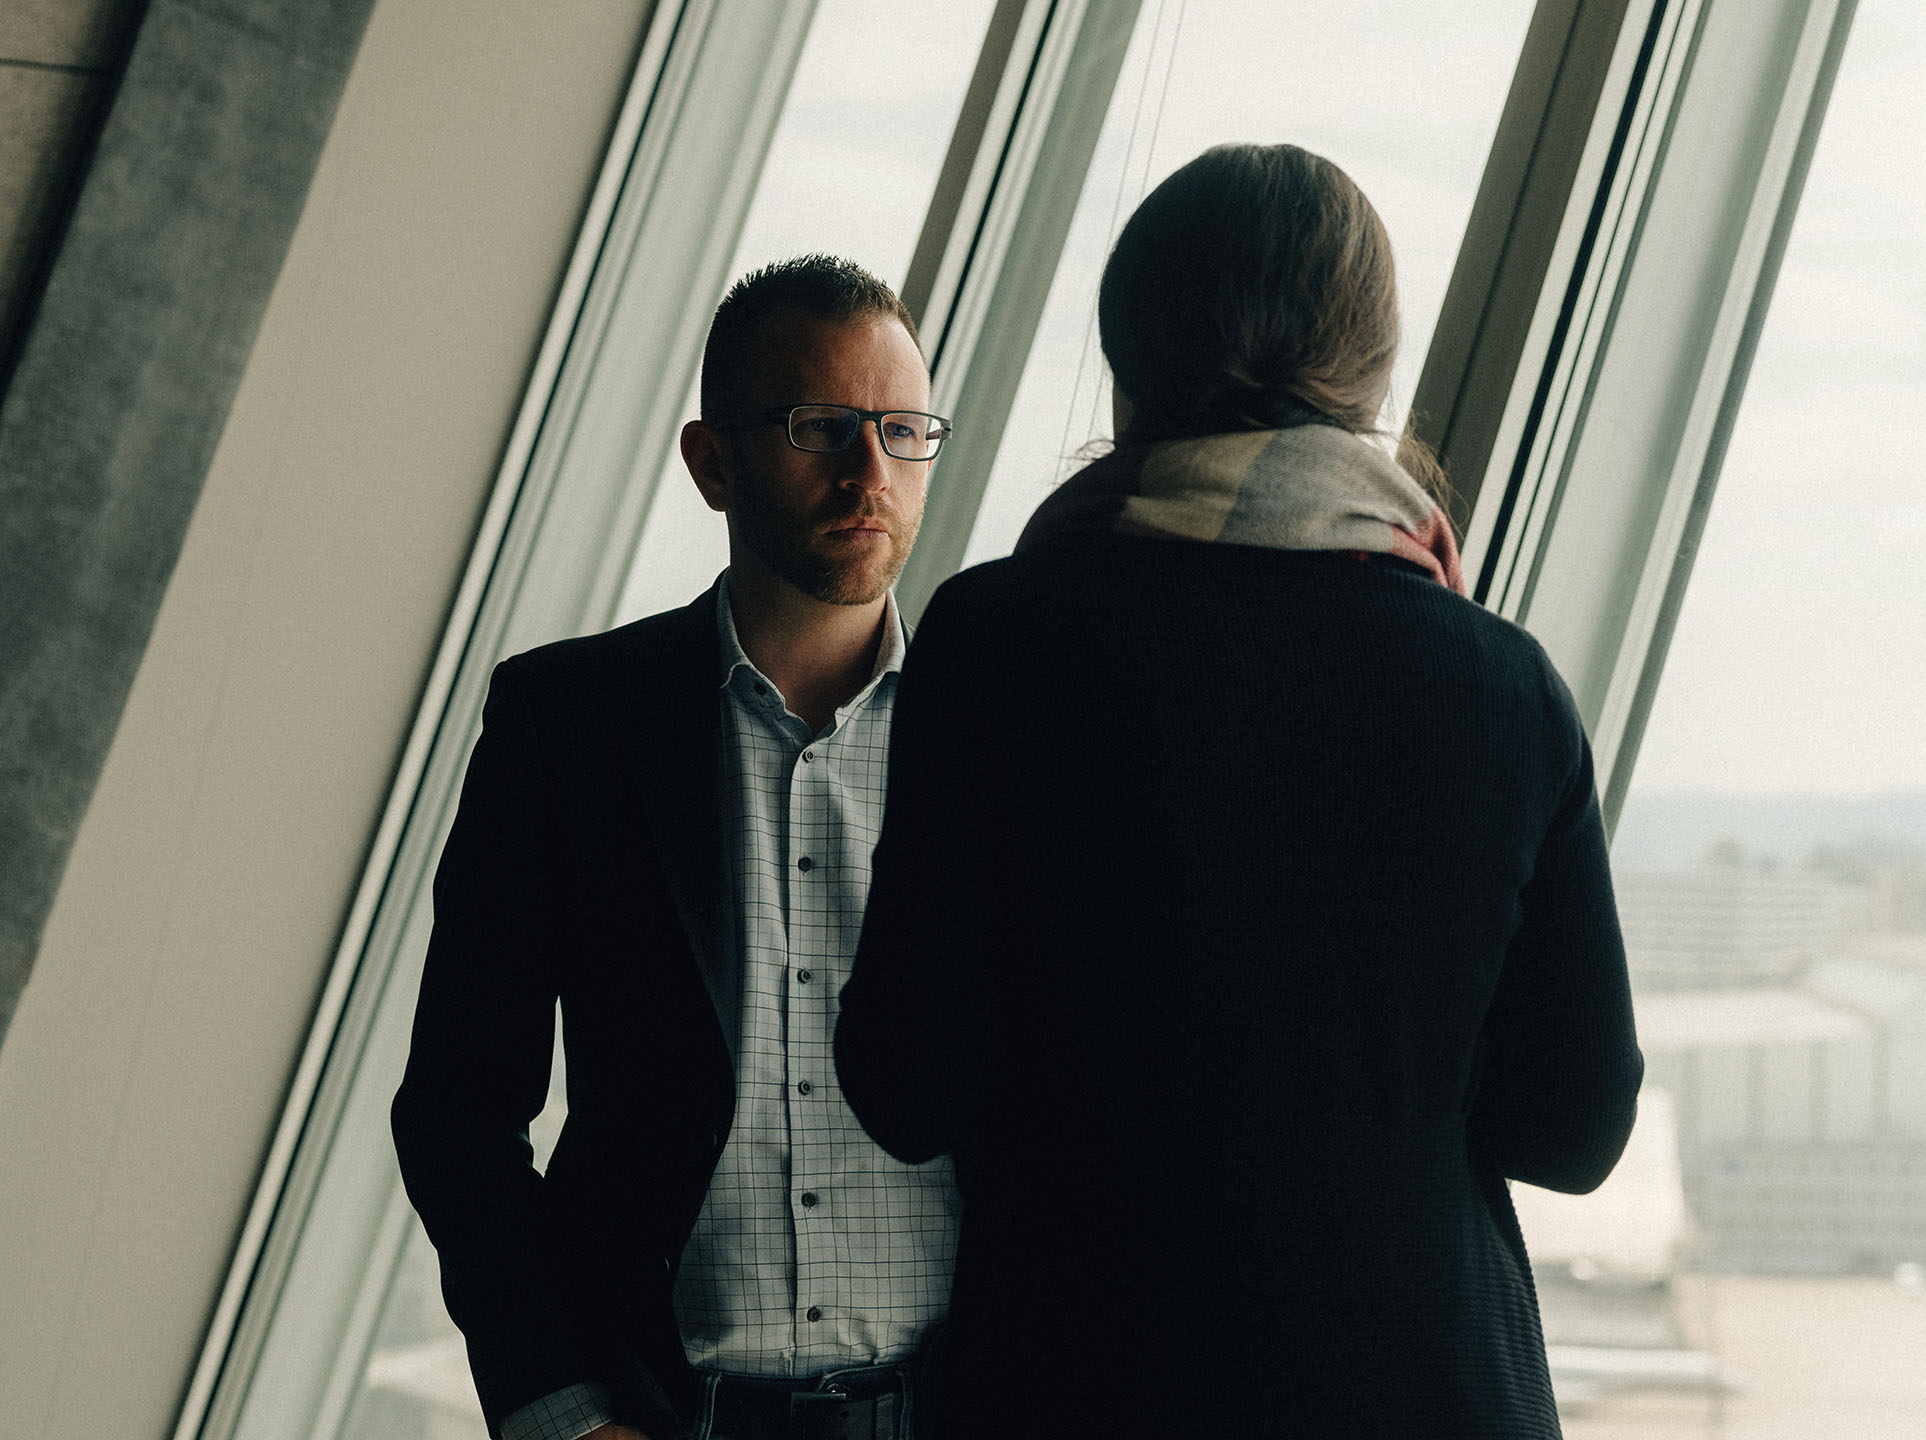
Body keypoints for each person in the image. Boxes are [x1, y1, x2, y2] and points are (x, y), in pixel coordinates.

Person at [835, 144, 1645, 1438]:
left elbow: (903, 1081)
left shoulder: (998, 642)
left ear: (1129, 353)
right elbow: (1574, 1128)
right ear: (1374, 375)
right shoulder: (1504, 688)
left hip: (1077, 1388)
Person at [392, 255, 958, 1440]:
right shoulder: (571, 723)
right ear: (713, 463)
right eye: (822, 427)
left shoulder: (994, 730)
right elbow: (457, 1108)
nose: (871, 472)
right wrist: (563, 1409)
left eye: (904, 432)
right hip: (656, 1410)